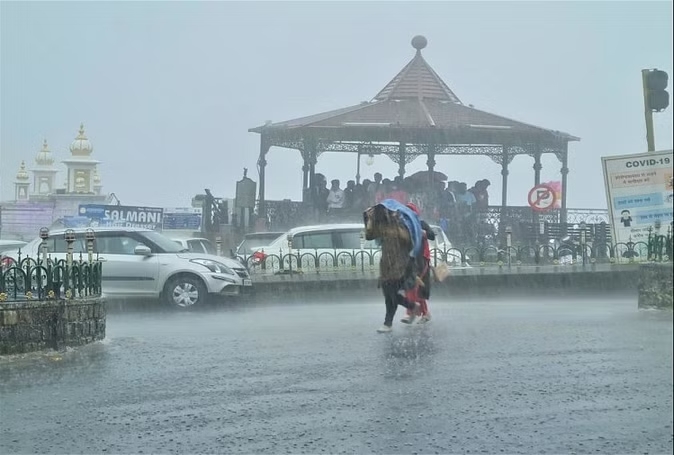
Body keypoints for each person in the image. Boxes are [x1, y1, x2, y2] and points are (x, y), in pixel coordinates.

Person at [400, 202, 435, 324]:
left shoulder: (421, 224)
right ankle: (416, 313)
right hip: (408, 259)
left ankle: (420, 313)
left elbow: (431, 235)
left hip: (421, 259)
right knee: (409, 287)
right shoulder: (403, 226)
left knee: (417, 286)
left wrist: (422, 232)